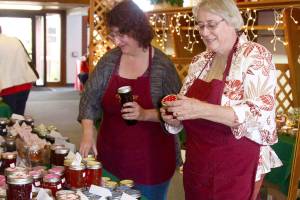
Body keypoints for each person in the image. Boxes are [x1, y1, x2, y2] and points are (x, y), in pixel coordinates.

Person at [160, 0, 282, 199]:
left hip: (234, 170)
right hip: (197, 166)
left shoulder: (255, 56)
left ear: (232, 21)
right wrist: (174, 117)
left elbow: (260, 114)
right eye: (200, 25)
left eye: (211, 24)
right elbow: (187, 108)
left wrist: (201, 108)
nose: (204, 32)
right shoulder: (199, 61)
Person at [78, 1, 181, 199]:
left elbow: (177, 112)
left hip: (151, 163)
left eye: (121, 35)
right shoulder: (109, 60)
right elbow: (90, 97)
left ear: (138, 29)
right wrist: (87, 132)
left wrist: (145, 114)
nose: (117, 41)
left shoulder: (162, 66)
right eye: (113, 35)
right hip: (111, 157)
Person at [0, 25, 38, 115]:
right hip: (24, 83)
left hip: (7, 86)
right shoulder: (15, 40)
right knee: (18, 115)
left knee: (6, 117)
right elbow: (27, 59)